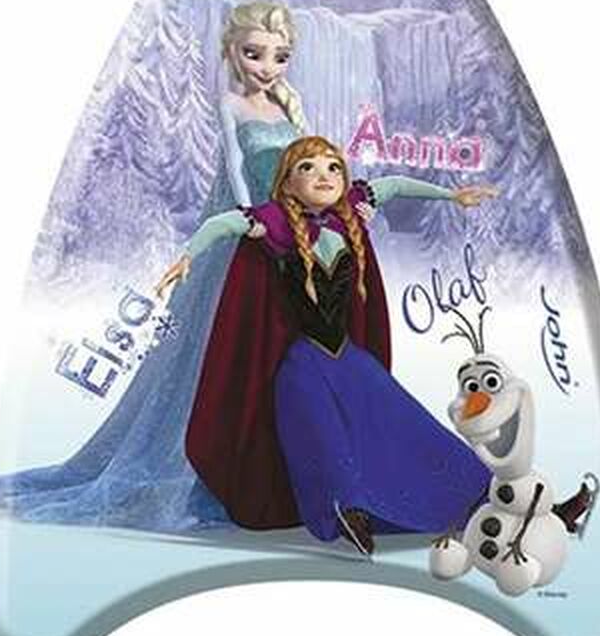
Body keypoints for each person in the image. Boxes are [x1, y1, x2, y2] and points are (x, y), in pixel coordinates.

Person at [0, 0, 310, 529]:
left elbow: (312, 161)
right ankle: (211, 458)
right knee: (222, 338)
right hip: (247, 231)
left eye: (280, 56)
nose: (267, 67)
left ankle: (274, 458)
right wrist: (251, 216)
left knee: (280, 344)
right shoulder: (232, 105)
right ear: (232, 52)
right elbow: (235, 166)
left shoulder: (289, 108)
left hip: (290, 235)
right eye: (255, 54)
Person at [155, 135, 497, 555]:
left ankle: (488, 494)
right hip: (302, 364)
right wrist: (188, 255)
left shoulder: (350, 210)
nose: (324, 175)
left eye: (333, 167)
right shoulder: (275, 222)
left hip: (350, 361)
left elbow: (395, 184)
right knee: (324, 433)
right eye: (308, 168)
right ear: (287, 183)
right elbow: (223, 224)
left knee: (408, 423)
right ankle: (349, 511)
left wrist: (452, 196)